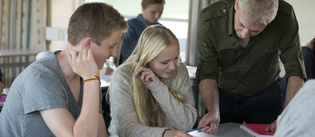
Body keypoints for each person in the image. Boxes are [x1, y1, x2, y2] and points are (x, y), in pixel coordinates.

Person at [0, 3, 127, 137]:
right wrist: (92, 81)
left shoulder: (87, 77)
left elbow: (100, 135)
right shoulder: (41, 77)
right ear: (88, 44)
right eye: (111, 46)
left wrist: (91, 80)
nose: (114, 53)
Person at [196, 0, 306, 134]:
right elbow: (208, 70)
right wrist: (213, 110)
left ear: (269, 23)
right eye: (241, 24)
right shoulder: (210, 18)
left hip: (265, 95)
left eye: (255, 31)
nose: (244, 34)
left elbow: (295, 68)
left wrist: (287, 116)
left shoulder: (285, 16)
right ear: (236, 4)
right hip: (221, 95)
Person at [108, 25, 197, 137]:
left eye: (176, 58)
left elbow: (186, 124)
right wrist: (165, 134)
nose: (173, 67)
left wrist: (157, 87)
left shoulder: (179, 70)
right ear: (145, 61)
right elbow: (126, 130)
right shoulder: (122, 76)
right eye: (164, 62)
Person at [119, 0, 165, 65]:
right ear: (143, 8)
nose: (157, 16)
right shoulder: (130, 26)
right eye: (153, 12)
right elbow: (130, 55)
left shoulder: (161, 28)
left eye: (161, 12)